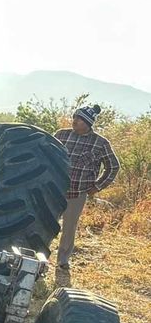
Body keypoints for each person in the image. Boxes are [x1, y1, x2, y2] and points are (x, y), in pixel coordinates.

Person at [53, 105, 120, 269]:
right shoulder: (61, 135)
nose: (75, 120)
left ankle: (62, 262)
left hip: (77, 194)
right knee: (45, 223)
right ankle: (38, 257)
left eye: (80, 118)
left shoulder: (100, 143)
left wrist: (97, 186)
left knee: (69, 228)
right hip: (54, 189)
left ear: (88, 123)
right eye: (75, 116)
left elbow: (113, 166)